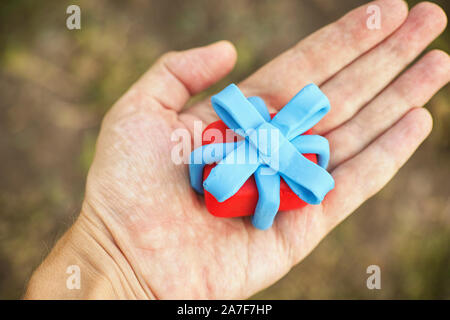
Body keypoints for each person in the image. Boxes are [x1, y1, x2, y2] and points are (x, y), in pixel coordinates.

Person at [24, 0, 449, 299]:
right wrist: (116, 258)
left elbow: (293, 154)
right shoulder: (225, 152)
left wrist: (117, 267)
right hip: (258, 155)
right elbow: (215, 163)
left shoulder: (281, 149)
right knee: (228, 164)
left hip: (270, 154)